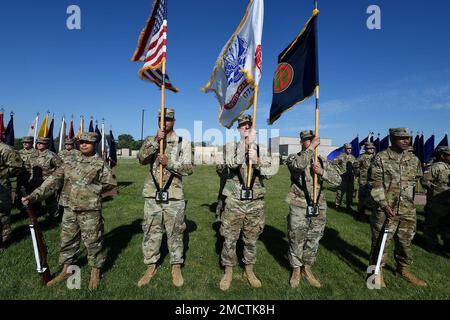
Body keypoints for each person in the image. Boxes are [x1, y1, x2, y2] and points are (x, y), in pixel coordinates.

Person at [21, 132, 117, 290]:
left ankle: (95, 270)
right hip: (70, 208)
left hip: (90, 211)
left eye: (88, 142)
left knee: (93, 242)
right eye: (82, 142)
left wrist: (91, 193)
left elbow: (110, 185)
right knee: (67, 240)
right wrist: (33, 196)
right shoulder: (69, 161)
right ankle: (66, 269)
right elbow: (53, 181)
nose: (84, 144)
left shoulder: (100, 163)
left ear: (95, 144)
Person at [218, 114, 276, 291]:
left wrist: (257, 160)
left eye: (248, 125)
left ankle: (249, 270)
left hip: (255, 202)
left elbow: (271, 171)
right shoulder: (230, 147)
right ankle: (228, 270)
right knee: (229, 238)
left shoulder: (262, 149)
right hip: (235, 200)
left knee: (251, 239)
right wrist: (244, 146)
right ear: (238, 129)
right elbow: (230, 163)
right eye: (242, 125)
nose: (246, 127)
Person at [137, 108, 194, 288]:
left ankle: (176, 266)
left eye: (168, 119)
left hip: (174, 196)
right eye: (161, 119)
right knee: (151, 230)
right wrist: (155, 142)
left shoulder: (181, 142)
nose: (164, 122)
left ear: (174, 121)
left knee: (175, 232)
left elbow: (189, 168)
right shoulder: (151, 140)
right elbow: (141, 159)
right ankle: (150, 265)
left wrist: (168, 163)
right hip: (152, 194)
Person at [368, 128, 427, 287]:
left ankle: (403, 269)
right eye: (402, 138)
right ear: (393, 140)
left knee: (405, 242)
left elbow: (417, 179)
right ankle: (376, 273)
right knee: (381, 243)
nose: (406, 141)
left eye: (407, 138)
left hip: (407, 210)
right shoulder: (380, 158)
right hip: (386, 210)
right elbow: (375, 184)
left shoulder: (413, 160)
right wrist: (384, 205)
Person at [286, 130, 342, 288]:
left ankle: (307, 268)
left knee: (313, 238)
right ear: (301, 142)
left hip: (318, 205)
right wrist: (311, 149)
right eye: (306, 140)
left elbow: (337, 180)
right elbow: (298, 166)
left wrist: (322, 172)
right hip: (299, 203)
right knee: (296, 237)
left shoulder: (322, 161)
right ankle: (296, 270)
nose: (310, 142)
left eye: (312, 140)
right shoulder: (294, 157)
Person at [421, 146, 450, 257]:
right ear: (443, 156)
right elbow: (424, 181)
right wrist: (434, 188)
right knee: (432, 225)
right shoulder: (436, 167)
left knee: (447, 226)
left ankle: (447, 246)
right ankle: (431, 245)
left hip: (448, 203)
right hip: (436, 203)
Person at [31, 137, 63, 222]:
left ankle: (54, 217)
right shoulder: (33, 154)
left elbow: (60, 167)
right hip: (35, 181)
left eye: (41, 143)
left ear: (46, 145)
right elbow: (28, 166)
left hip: (48, 182)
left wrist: (54, 178)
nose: (39, 145)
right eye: (38, 143)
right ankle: (36, 215)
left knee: (50, 201)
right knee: (35, 200)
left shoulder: (52, 155)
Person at [0, 141, 25, 250]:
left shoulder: (5, 149)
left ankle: (4, 241)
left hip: (2, 187)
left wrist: (2, 173)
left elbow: (17, 167)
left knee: (2, 215)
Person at [354, 142, 376, 215]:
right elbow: (356, 166)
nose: (371, 150)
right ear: (366, 149)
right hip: (363, 179)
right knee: (362, 197)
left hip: (373, 179)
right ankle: (360, 212)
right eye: (369, 148)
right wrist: (357, 173)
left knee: (371, 196)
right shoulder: (361, 157)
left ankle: (369, 211)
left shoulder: (375, 157)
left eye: (372, 148)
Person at [332, 143, 356, 210]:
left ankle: (348, 205)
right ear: (345, 149)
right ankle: (337, 205)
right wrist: (339, 172)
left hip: (350, 177)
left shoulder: (353, 157)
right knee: (340, 192)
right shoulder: (341, 156)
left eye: (350, 149)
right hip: (343, 178)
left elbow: (355, 167)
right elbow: (333, 163)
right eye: (348, 149)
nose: (349, 150)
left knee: (350, 193)